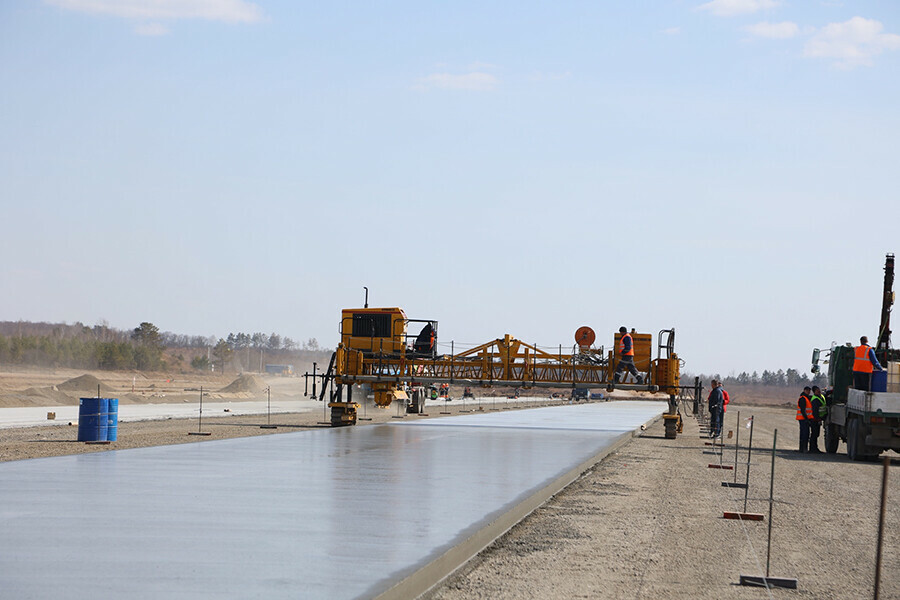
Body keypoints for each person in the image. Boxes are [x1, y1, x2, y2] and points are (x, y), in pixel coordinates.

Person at [808, 385, 827, 454]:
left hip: (818, 419)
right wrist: (817, 419)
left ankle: (815, 448)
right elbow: (815, 411)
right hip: (814, 420)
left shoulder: (821, 396)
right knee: (814, 434)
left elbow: (825, 394)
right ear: (814, 392)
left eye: (819, 390)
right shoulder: (815, 399)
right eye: (817, 390)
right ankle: (812, 449)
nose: (819, 391)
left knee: (816, 434)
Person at [797, 386, 815, 453]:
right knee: (805, 434)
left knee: (804, 434)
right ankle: (803, 448)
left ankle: (802, 448)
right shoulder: (803, 399)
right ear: (804, 390)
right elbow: (802, 410)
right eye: (807, 390)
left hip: (805, 418)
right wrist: (806, 419)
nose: (808, 392)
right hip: (803, 419)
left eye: (809, 390)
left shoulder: (807, 398)